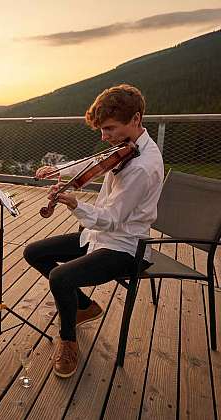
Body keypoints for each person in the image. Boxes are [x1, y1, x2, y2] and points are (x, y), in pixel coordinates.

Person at [23, 84, 164, 378]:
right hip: (99, 238)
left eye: (109, 128)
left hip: (126, 248)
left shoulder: (142, 166)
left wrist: (75, 205)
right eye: (101, 129)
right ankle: (84, 306)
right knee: (33, 252)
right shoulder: (127, 146)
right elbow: (95, 164)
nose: (104, 136)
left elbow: (111, 219)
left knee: (60, 277)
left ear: (136, 119)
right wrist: (58, 170)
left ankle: (68, 341)